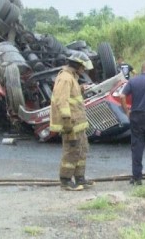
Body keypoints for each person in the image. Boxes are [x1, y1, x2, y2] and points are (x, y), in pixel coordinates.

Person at [50, 52, 94, 191]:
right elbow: (61, 101)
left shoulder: (72, 78)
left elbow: (71, 96)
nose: (84, 70)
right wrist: (67, 122)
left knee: (81, 150)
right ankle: (66, 180)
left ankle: (80, 178)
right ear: (77, 65)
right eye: (83, 67)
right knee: (71, 151)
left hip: (78, 123)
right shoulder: (65, 78)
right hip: (71, 124)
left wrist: (81, 89)